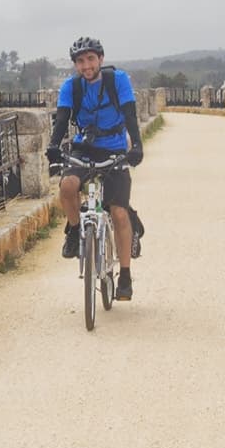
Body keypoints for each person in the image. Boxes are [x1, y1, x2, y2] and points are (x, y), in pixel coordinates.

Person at [47, 36, 144, 298]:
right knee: (67, 187)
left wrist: (136, 146)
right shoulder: (72, 86)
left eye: (91, 59)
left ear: (100, 59)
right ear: (76, 65)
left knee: (119, 213)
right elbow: (63, 118)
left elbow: (130, 114)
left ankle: (124, 276)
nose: (86, 65)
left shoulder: (118, 80)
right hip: (84, 147)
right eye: (80, 61)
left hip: (114, 148)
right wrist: (54, 146)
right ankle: (76, 230)